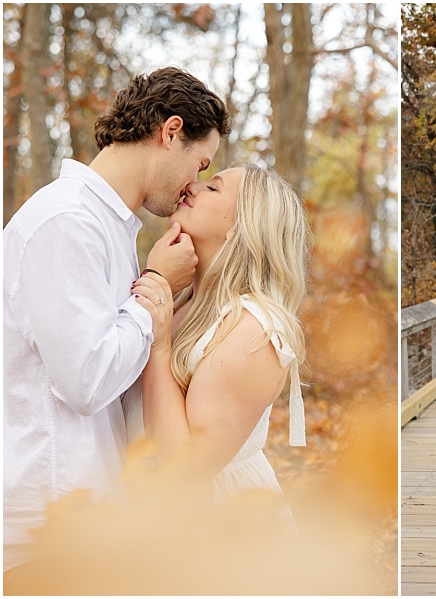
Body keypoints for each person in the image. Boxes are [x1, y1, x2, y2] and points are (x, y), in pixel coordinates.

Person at [3, 67, 230, 579]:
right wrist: (156, 287)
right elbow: (85, 381)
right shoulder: (66, 222)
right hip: (46, 530)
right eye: (200, 163)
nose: (193, 184)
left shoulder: (111, 229)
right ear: (170, 132)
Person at [121, 162, 309, 512]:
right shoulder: (181, 301)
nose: (192, 185)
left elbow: (184, 472)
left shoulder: (255, 330)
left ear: (241, 227)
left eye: (213, 188)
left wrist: (160, 347)